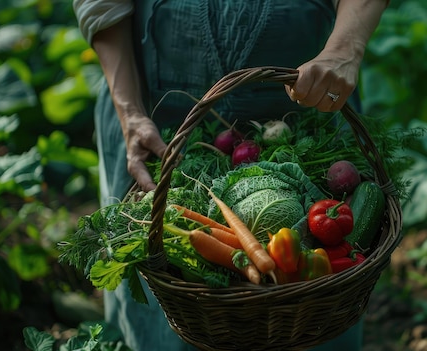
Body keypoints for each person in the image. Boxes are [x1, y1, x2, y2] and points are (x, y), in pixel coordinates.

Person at [72, 1, 388, 350]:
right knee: (161, 313)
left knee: (311, 324)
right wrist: (129, 112)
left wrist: (345, 48)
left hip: (310, 102)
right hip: (156, 115)